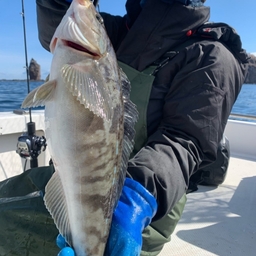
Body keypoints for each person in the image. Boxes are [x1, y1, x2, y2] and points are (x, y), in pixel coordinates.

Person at [0, 0, 248, 255]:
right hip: (71, 181)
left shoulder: (212, 56)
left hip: (142, 208)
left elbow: (184, 143)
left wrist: (136, 201)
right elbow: (58, 17)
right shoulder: (120, 32)